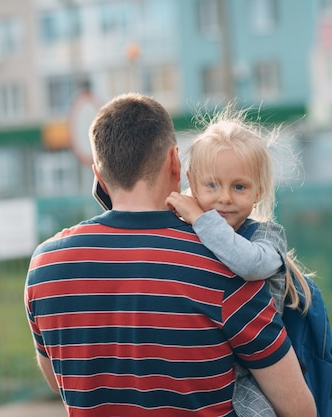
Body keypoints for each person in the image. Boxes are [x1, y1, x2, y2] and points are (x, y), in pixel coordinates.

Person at [24, 93, 316, 417]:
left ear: (99, 174)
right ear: (176, 162)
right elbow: (299, 408)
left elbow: (57, 379)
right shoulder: (224, 265)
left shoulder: (44, 266)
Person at [165, 109, 314, 417]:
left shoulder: (268, 238)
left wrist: (200, 217)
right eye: (212, 185)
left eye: (239, 187)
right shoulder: (191, 229)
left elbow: (246, 263)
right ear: (191, 180)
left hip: (252, 373)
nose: (225, 198)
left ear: (258, 190)